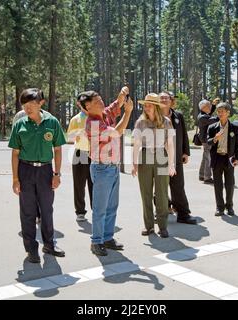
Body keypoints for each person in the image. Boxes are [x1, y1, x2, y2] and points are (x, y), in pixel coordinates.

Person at [9, 88, 67, 264]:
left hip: (45, 171)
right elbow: (15, 153)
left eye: (31, 104)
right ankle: (31, 249)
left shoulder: (52, 122)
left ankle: (49, 244)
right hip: (25, 171)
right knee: (28, 212)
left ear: (40, 103)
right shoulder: (20, 125)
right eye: (24, 105)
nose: (27, 108)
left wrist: (57, 173)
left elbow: (57, 150)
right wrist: (15, 179)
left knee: (47, 209)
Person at [81, 86, 133, 256]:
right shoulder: (92, 123)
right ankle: (96, 241)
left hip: (112, 167)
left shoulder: (104, 113)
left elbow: (116, 104)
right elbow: (117, 132)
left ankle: (107, 237)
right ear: (88, 107)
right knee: (100, 207)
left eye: (100, 99)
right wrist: (128, 113)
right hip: (102, 168)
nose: (101, 102)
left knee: (112, 206)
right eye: (97, 102)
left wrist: (122, 94)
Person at [132, 94, 176, 238]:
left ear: (156, 106)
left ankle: (163, 227)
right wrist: (134, 164)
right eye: (145, 104)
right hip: (144, 156)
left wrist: (171, 164)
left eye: (150, 104)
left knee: (162, 192)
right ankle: (149, 226)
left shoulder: (166, 121)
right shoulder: (140, 122)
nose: (146, 106)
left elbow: (169, 144)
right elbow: (137, 144)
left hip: (161, 155)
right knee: (146, 193)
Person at [159, 92, 197, 225]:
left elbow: (184, 134)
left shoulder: (178, 116)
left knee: (178, 185)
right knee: (159, 186)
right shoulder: (154, 115)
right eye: (161, 98)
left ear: (171, 101)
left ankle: (183, 214)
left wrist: (186, 152)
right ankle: (162, 212)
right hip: (159, 156)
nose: (164, 99)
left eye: (166, 98)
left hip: (176, 156)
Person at [207, 102, 238, 217]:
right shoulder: (212, 127)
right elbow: (208, 142)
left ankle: (229, 206)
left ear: (228, 113)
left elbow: (237, 145)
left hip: (229, 159)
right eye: (218, 111)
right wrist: (215, 139)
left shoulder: (234, 128)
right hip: (217, 159)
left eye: (222, 111)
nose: (220, 113)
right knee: (218, 184)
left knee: (230, 184)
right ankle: (219, 207)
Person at [67, 96, 93, 222]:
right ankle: (80, 211)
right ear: (79, 104)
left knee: (95, 184)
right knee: (79, 184)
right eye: (84, 103)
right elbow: (69, 137)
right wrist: (76, 134)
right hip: (80, 153)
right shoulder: (75, 119)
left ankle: (97, 209)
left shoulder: (97, 117)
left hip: (95, 154)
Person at [197, 99, 218, 184]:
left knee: (205, 157)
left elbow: (209, 113)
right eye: (208, 106)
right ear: (203, 108)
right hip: (206, 140)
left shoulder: (203, 115)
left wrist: (213, 105)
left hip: (205, 139)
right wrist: (222, 112)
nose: (210, 108)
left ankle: (202, 175)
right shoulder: (203, 117)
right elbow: (215, 119)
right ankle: (207, 177)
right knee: (208, 158)